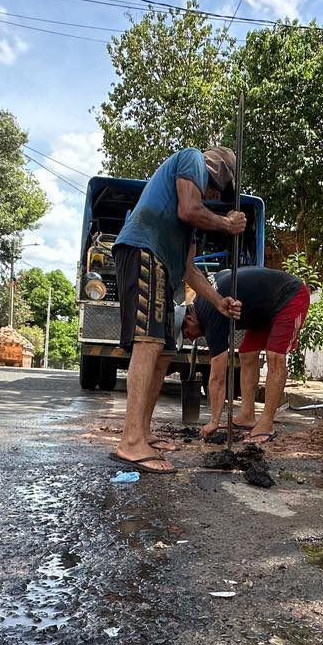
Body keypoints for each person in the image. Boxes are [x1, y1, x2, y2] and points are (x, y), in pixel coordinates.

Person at [110, 145, 246, 474]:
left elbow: (191, 272)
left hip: (163, 269)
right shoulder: (193, 159)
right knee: (149, 343)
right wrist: (227, 224)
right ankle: (130, 442)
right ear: (215, 173)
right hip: (144, 250)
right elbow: (189, 208)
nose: (212, 195)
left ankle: (142, 432)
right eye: (215, 189)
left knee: (165, 351)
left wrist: (218, 302)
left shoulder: (188, 227)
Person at [182, 265, 309, 445]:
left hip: (289, 296)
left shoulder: (210, 313)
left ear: (189, 319)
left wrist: (214, 422)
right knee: (247, 355)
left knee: (275, 357)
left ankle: (266, 423)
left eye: (186, 333)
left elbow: (217, 377)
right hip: (263, 309)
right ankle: (246, 415)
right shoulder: (206, 302)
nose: (190, 338)